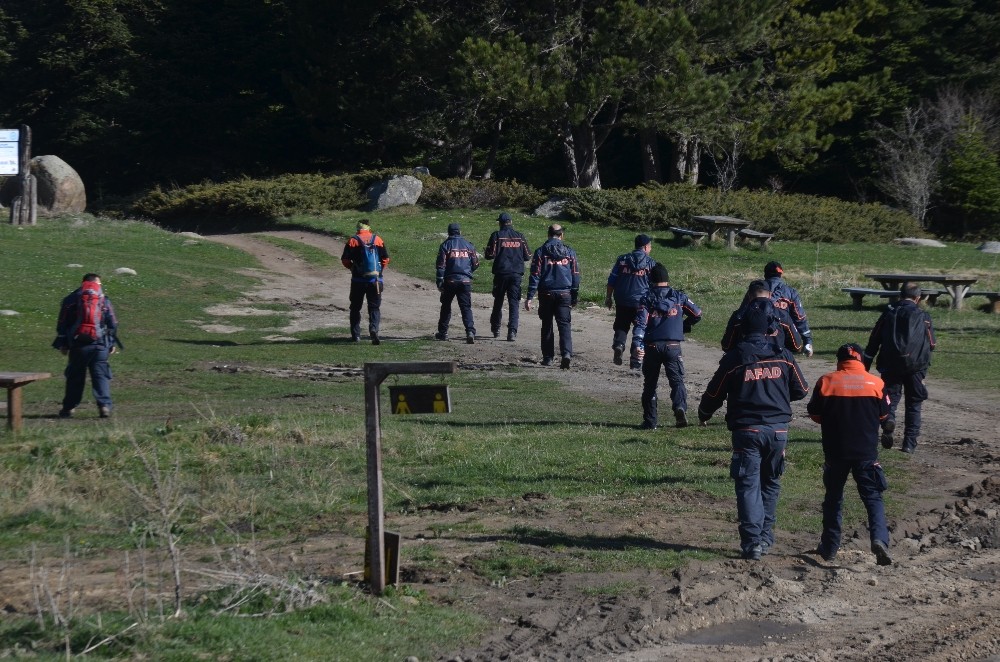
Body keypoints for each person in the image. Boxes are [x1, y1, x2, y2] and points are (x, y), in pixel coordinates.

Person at [697, 299, 809, 560]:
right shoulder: (784, 355)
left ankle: (752, 542)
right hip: (778, 432)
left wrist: (704, 413)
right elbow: (801, 390)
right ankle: (765, 537)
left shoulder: (735, 358)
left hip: (748, 431)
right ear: (771, 326)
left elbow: (714, 392)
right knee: (770, 484)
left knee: (748, 486)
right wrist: (776, 397)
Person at [807, 342, 893, 566]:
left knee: (833, 499)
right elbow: (885, 417)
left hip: (835, 452)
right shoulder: (876, 383)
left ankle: (830, 547)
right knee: (873, 498)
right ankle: (879, 539)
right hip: (866, 453)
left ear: (839, 361)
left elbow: (815, 414)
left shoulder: (826, 381)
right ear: (862, 361)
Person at [863, 282, 936, 454]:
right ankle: (909, 444)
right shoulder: (924, 316)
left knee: (890, 399)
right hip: (916, 368)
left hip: (890, 365)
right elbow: (932, 343)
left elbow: (874, 340)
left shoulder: (888, 313)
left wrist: (865, 364)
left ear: (900, 295)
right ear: (918, 298)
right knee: (914, 404)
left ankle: (889, 419)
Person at [632, 263, 702, 429]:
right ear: (667, 279)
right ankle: (679, 408)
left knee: (650, 384)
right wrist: (684, 326)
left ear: (651, 279)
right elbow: (697, 314)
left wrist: (637, 344)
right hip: (673, 345)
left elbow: (640, 323)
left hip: (652, 346)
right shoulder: (679, 297)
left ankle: (650, 421)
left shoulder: (646, 298)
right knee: (677, 381)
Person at [52, 273, 120, 418]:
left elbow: (62, 323)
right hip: (99, 345)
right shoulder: (103, 299)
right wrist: (111, 343)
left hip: (78, 345)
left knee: (75, 377)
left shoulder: (71, 299)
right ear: (95, 283)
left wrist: (63, 343)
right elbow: (112, 323)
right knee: (100, 376)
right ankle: (104, 407)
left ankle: (69, 408)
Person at [525, 224, 580, 369]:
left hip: (546, 294)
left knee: (547, 325)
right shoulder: (569, 252)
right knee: (565, 325)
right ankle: (566, 354)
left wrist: (530, 296)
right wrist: (574, 295)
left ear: (548, 234)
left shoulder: (541, 252)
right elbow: (575, 275)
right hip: (564, 293)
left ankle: (548, 358)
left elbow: (535, 275)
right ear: (561, 235)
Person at [605, 234, 656, 369]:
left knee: (621, 324)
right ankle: (635, 361)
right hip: (641, 303)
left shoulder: (622, 260)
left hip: (622, 299)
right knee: (640, 329)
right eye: (650, 246)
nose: (650, 249)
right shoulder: (651, 263)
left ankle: (619, 345)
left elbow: (612, 280)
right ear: (645, 247)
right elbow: (654, 285)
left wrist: (608, 297)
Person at [341, 220, 390, 344]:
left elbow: (345, 260)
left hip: (358, 280)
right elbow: (386, 259)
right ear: (369, 227)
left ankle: (356, 335)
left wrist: (352, 268)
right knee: (374, 307)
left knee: (355, 308)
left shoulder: (353, 240)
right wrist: (379, 271)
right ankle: (374, 329)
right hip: (375, 280)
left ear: (358, 228)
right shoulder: (378, 239)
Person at [484, 212, 531, 341]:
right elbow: (527, 256)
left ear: (500, 223)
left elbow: (490, 255)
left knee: (498, 301)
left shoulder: (496, 235)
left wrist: (486, 251)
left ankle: (496, 329)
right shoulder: (520, 236)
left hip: (501, 273)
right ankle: (512, 332)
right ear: (510, 222)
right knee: (514, 303)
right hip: (516, 274)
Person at [721, 280, 802, 353]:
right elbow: (797, 346)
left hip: (746, 363)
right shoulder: (783, 316)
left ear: (749, 295)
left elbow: (726, 346)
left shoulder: (739, 316)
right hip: (777, 363)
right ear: (770, 295)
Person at [435, 222, 480, 344]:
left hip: (450, 281)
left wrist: (439, 281)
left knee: (446, 306)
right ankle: (470, 331)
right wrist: (467, 272)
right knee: (466, 308)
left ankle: (443, 333)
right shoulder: (468, 245)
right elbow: (476, 263)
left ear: (449, 232)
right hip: (465, 281)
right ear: (459, 231)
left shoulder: (445, 245)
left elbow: (441, 265)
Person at [763, 261, 813, 356]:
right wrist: (807, 341)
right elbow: (799, 317)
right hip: (784, 343)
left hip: (759, 340)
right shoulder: (790, 292)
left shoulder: (756, 290)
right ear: (780, 274)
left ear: (765, 274)